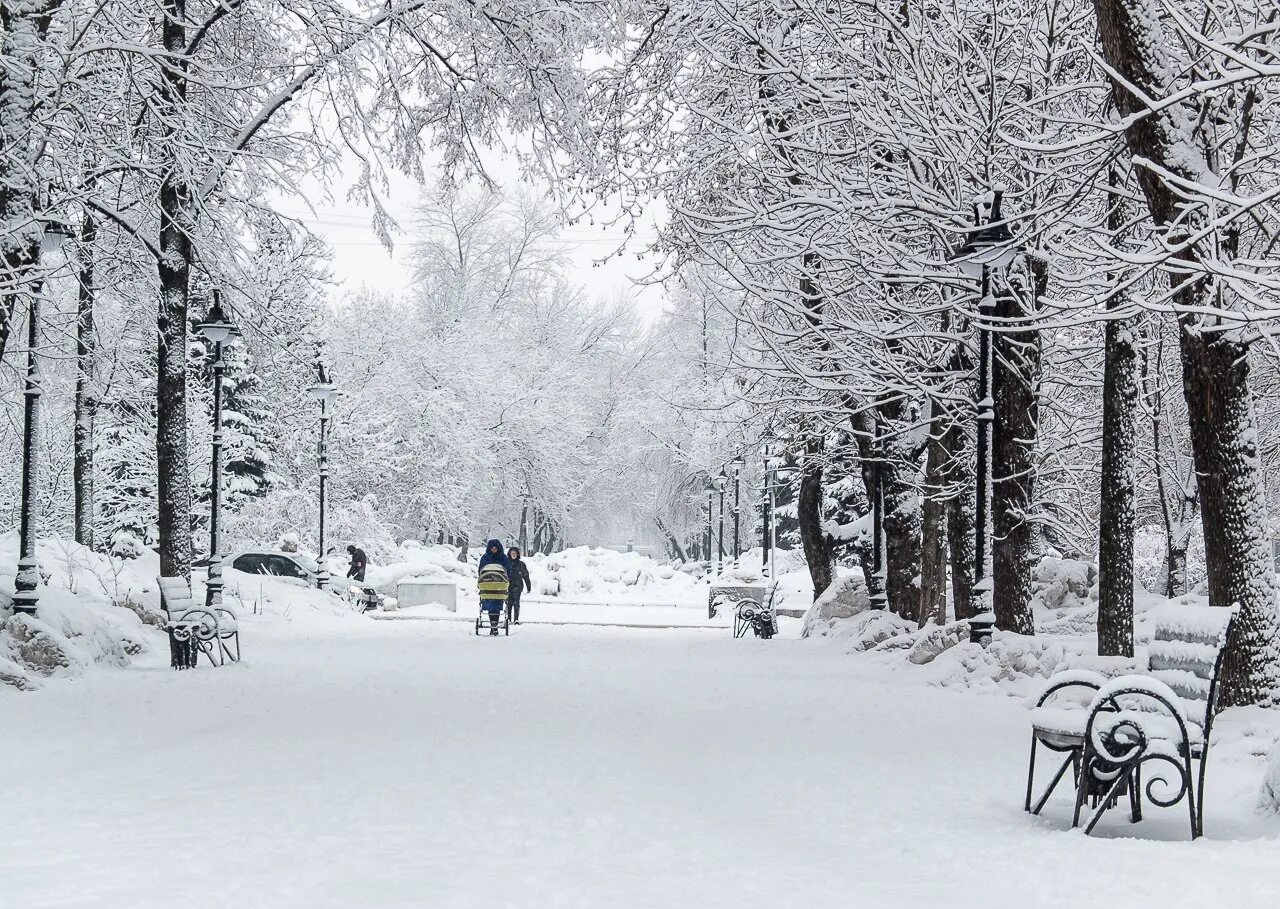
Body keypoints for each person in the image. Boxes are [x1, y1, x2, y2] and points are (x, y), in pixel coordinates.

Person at [477, 539, 510, 635]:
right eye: (492, 548)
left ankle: (494, 626)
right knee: (491, 607)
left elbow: (507, 570)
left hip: (499, 586)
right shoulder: (485, 558)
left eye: (495, 547)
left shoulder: (503, 558)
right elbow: (481, 570)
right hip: (488, 585)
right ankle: (493, 626)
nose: (494, 549)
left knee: (497, 607)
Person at [507, 547, 531, 623]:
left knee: (516, 602)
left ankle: (516, 619)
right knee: (508, 603)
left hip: (518, 585)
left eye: (515, 553)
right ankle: (508, 619)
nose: (513, 555)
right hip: (507, 585)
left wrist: (528, 587)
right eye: (512, 553)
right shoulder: (506, 563)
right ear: (509, 554)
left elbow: (526, 576)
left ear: (517, 554)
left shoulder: (521, 564)